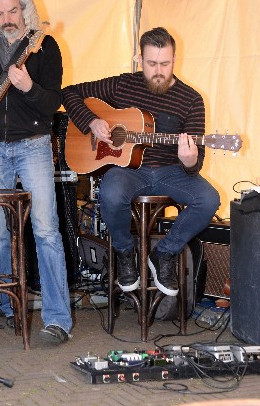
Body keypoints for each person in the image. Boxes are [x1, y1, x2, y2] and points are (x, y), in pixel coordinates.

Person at [62, 26, 220, 297]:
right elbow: (69, 93)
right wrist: (92, 121)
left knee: (209, 199)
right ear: (139, 59)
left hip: (171, 171)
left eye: (165, 63)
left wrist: (190, 160)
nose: (159, 70)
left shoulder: (191, 99)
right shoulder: (123, 84)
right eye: (151, 63)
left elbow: (196, 163)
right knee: (110, 193)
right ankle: (124, 252)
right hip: (129, 171)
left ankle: (164, 254)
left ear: (174, 59)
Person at [0, 0, 73, 345]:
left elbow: (53, 103)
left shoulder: (45, 46)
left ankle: (57, 318)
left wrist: (28, 87)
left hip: (34, 146)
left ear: (25, 9)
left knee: (45, 230)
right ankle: (12, 306)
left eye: (12, 11)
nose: (7, 19)